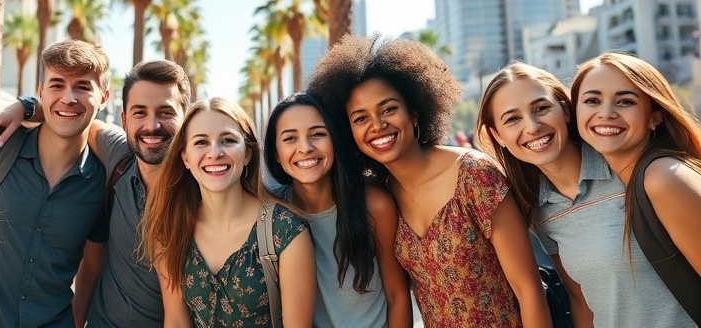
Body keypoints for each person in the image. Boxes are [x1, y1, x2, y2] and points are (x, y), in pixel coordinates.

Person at [307, 34, 550, 327]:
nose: (377, 125)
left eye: (389, 109)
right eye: (360, 118)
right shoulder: (383, 197)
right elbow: (397, 297)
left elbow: (529, 290)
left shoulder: (474, 176)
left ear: (415, 112)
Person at [0, 60, 191, 327]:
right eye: (139, 112)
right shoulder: (119, 157)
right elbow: (75, 115)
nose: (152, 125)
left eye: (166, 112)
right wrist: (24, 106)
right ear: (124, 119)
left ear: (186, 117)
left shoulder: (201, 190)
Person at [476, 62, 694, 327]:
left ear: (566, 110)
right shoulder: (538, 211)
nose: (532, 127)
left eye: (542, 108)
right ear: (497, 135)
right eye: (513, 119)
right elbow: (582, 302)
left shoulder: (635, 171)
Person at [0, 40, 112, 328]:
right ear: (40, 92)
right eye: (56, 85)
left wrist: (78, 322)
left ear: (103, 97)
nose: (68, 97)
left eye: (83, 86)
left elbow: (92, 266)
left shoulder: (100, 181)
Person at [140, 97, 316, 327]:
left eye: (228, 140)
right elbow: (176, 321)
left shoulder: (286, 232)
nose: (215, 152)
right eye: (201, 142)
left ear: (248, 154)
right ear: (185, 158)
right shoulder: (171, 229)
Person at [571, 52, 701, 322]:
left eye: (625, 101)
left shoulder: (662, 177)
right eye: (592, 100)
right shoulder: (638, 179)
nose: (606, 113)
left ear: (655, 116)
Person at [263, 92, 412, 327]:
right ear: (276, 155)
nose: (305, 148)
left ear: (335, 141)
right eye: (290, 138)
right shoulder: (271, 211)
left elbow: (398, 296)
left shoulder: (374, 205)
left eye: (318, 134)